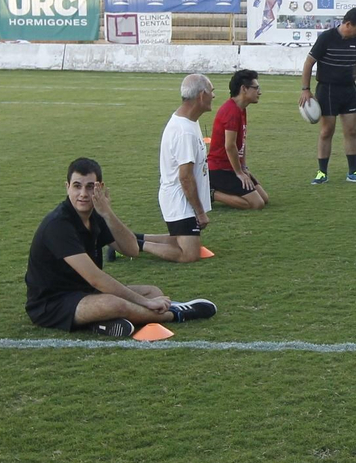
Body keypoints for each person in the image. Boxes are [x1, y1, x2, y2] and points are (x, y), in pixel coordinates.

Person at [25, 157, 216, 338]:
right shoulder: (58, 225)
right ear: (67, 187)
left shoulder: (96, 216)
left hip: (84, 294)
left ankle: (99, 323)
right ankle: (176, 314)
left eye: (90, 187)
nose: (83, 194)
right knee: (114, 303)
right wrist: (145, 303)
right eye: (77, 186)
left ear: (99, 188)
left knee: (153, 291)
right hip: (51, 304)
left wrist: (108, 213)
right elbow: (96, 279)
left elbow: (131, 249)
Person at [141, 73, 214, 263]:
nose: (213, 96)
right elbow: (185, 177)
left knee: (179, 241)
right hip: (179, 200)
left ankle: (130, 239)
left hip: (179, 198)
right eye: (211, 92)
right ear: (200, 96)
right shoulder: (184, 131)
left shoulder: (189, 122)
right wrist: (199, 212)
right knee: (189, 254)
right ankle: (135, 245)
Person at [300, 8, 356, 184]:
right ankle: (322, 173)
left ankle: (353, 172)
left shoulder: (355, 40)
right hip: (328, 90)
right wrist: (305, 89)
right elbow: (309, 63)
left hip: (349, 91)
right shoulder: (326, 37)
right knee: (326, 131)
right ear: (347, 24)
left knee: (351, 131)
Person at [208, 69, 269, 211]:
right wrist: (239, 173)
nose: (259, 92)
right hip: (219, 169)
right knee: (257, 204)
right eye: (256, 88)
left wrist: (244, 167)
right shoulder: (231, 111)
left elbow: (241, 143)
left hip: (232, 167)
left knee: (264, 199)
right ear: (244, 89)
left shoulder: (241, 109)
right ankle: (211, 194)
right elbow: (230, 146)